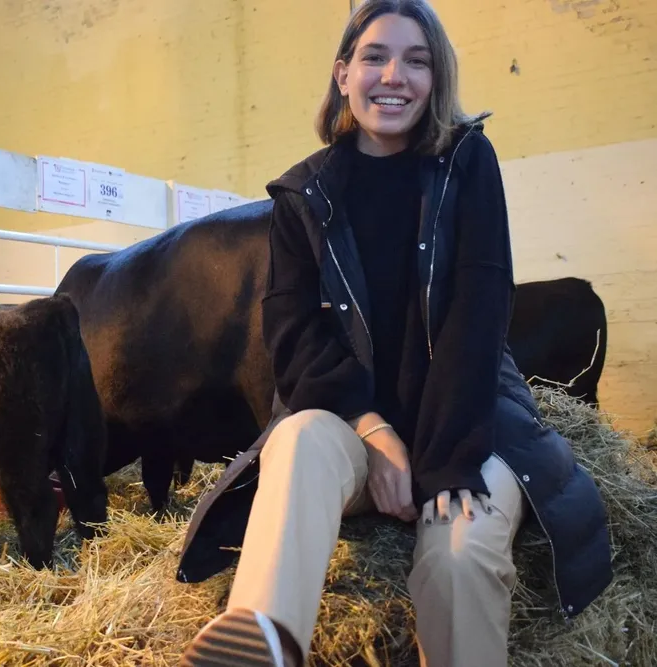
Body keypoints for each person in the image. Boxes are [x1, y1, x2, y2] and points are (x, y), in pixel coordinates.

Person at [175, 2, 613, 666]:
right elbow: (293, 340)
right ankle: (265, 637)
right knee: (297, 434)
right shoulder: (302, 196)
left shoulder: (466, 163)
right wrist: (377, 437)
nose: (393, 76)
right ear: (343, 74)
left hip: (468, 427)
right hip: (353, 431)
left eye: (417, 61)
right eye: (374, 57)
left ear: (436, 79)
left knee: (460, 556)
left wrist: (442, 463)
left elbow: (477, 321)